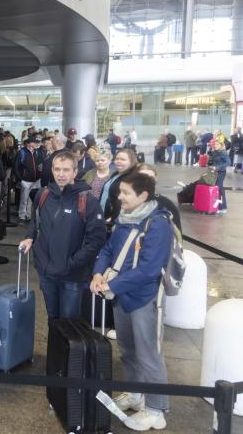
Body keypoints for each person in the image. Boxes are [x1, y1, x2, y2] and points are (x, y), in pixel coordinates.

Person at [91, 173, 172, 431]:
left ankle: (157, 410)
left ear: (143, 196)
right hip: (121, 295)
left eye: (125, 193)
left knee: (149, 355)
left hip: (143, 299)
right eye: (120, 192)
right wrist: (97, 273)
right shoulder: (125, 219)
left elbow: (149, 270)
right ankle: (136, 395)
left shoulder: (158, 224)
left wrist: (111, 285)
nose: (119, 197)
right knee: (127, 348)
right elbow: (107, 250)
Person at [19, 151, 106, 323]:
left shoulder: (88, 201)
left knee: (69, 323)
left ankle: (67, 351)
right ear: (51, 170)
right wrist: (30, 237)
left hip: (71, 275)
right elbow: (35, 221)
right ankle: (54, 351)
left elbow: (96, 240)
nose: (61, 174)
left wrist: (71, 264)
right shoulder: (43, 195)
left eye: (66, 170)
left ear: (75, 172)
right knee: (52, 319)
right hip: (46, 272)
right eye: (57, 169)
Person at [133, 164, 181, 230]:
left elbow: (177, 231)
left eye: (151, 178)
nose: (147, 181)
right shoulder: (127, 200)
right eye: (142, 177)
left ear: (156, 179)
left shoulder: (167, 204)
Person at [100, 148, 139, 227]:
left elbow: (126, 204)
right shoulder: (116, 174)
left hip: (115, 221)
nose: (118, 161)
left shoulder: (130, 179)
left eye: (123, 159)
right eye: (117, 159)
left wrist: (113, 220)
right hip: (104, 216)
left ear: (131, 162)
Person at [15, 138, 41, 222]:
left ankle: (29, 216)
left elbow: (39, 165)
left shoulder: (37, 152)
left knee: (31, 200)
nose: (36, 144)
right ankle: (22, 216)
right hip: (25, 180)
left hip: (35, 180)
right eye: (34, 142)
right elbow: (16, 167)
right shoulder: (22, 153)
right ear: (29, 144)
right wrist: (20, 179)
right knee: (24, 199)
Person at [209, 138, 230, 214]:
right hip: (214, 172)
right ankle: (218, 206)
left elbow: (228, 163)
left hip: (221, 173)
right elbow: (212, 161)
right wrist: (211, 166)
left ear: (221, 145)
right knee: (217, 189)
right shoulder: (215, 152)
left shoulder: (224, 153)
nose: (215, 145)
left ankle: (223, 207)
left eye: (217, 144)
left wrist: (217, 167)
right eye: (215, 144)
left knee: (219, 188)